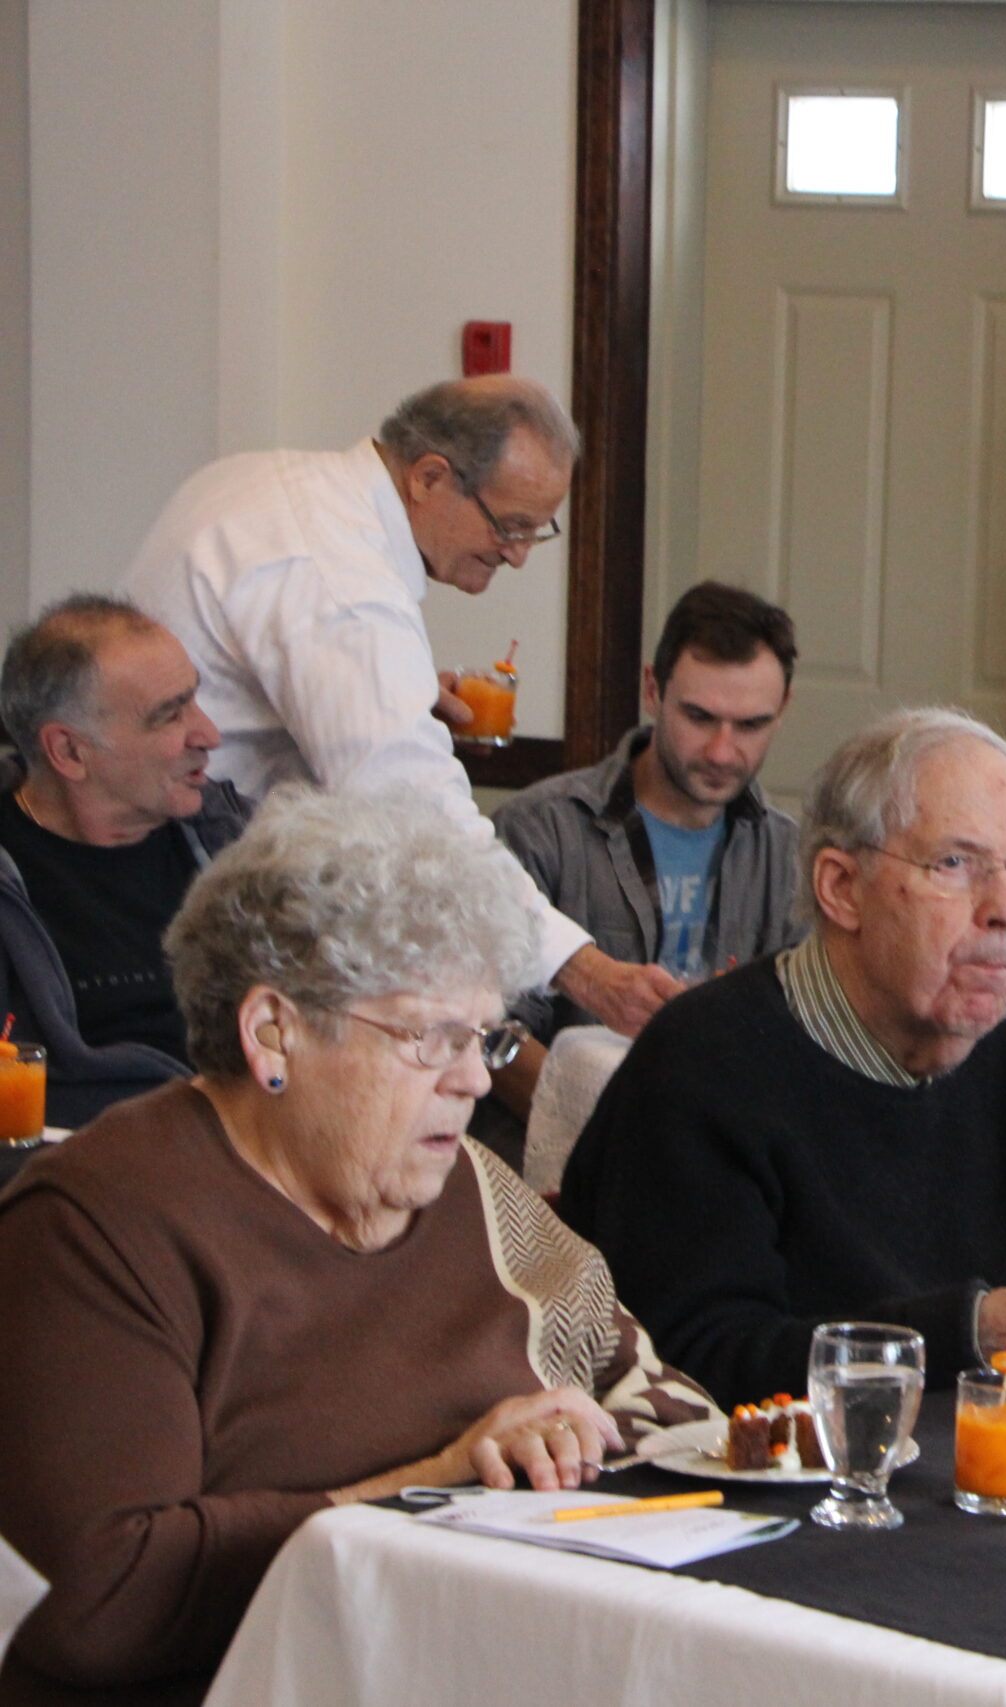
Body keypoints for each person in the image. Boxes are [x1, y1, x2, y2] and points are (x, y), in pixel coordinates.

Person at [0, 789, 712, 1703]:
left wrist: (583, 1452)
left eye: (484, 1038)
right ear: (273, 1034)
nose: (472, 1080)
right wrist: (430, 1486)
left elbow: (659, 1399)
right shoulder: (99, 1225)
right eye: (431, 1038)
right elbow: (98, 1601)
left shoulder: (471, 1190)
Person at [560, 709, 1006, 1404]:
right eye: (954, 864)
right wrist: (966, 1333)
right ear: (841, 887)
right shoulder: (703, 1066)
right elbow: (691, 1361)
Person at [120, 375, 679, 1039]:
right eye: (510, 526)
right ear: (429, 477)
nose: (518, 556)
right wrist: (584, 969)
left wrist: (398, 692)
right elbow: (416, 823)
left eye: (537, 532)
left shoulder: (271, 482)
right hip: (158, 895)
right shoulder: (343, 582)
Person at [492, 583, 803, 1106]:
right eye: (699, 717)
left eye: (751, 725)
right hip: (558, 1140)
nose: (722, 752)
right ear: (652, 690)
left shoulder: (789, 857)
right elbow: (488, 1030)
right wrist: (598, 1124)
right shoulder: (539, 830)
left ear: (783, 708)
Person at [0, 596, 251, 1123]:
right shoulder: (12, 883)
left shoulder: (240, 843)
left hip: (253, 1139)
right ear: (69, 752)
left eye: (194, 700)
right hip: (80, 1154)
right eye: (170, 715)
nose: (208, 735)